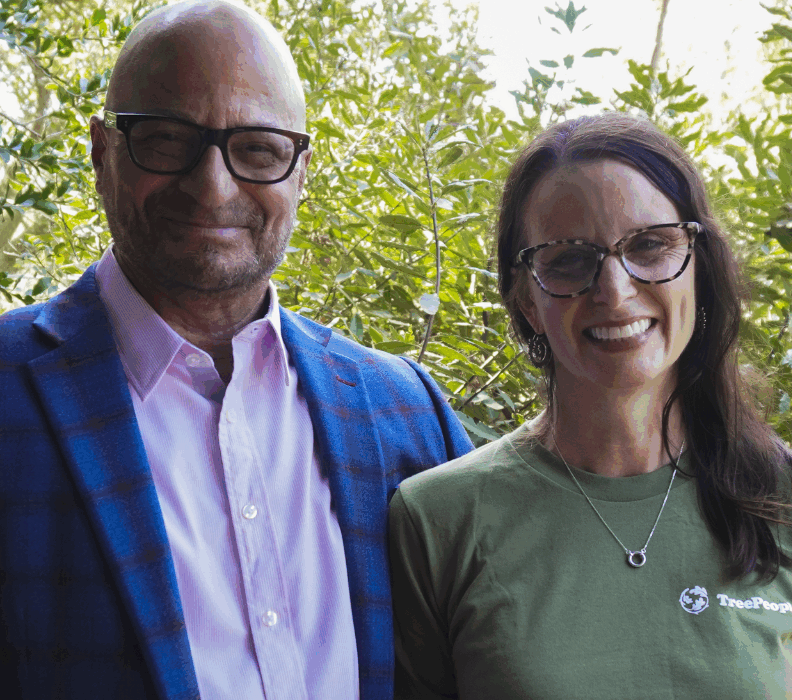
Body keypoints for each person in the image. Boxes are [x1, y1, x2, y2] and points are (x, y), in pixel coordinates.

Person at [0, 2, 473, 698]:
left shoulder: (406, 415)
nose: (212, 186)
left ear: (300, 171)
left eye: (258, 149)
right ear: (102, 154)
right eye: (167, 140)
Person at [389, 113, 792, 699]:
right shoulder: (438, 519)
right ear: (526, 300)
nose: (615, 290)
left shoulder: (785, 497)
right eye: (569, 259)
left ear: (699, 268)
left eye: (650, 245)